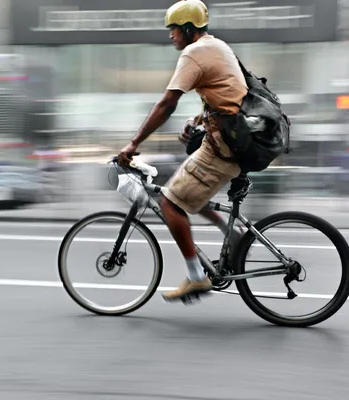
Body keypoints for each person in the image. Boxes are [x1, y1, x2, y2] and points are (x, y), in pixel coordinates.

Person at [117, 0, 249, 301]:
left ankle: (195, 277)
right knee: (185, 193)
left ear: (189, 29)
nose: (171, 35)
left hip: (223, 148)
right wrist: (198, 120)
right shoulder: (217, 46)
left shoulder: (194, 53)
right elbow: (227, 95)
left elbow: (166, 103)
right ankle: (232, 234)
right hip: (234, 140)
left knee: (169, 203)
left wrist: (134, 143)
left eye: (174, 29)